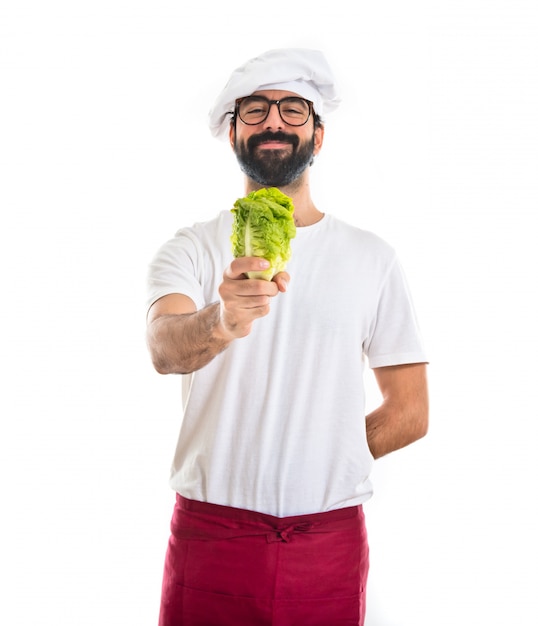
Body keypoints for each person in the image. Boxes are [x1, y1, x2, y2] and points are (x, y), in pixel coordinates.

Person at [146, 48, 429, 626]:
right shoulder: (192, 248)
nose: (273, 121)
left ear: (317, 137)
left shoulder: (371, 258)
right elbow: (164, 348)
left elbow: (411, 411)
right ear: (233, 133)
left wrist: (322, 456)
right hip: (210, 533)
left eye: (293, 109)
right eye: (254, 109)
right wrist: (221, 321)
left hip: (328, 540)